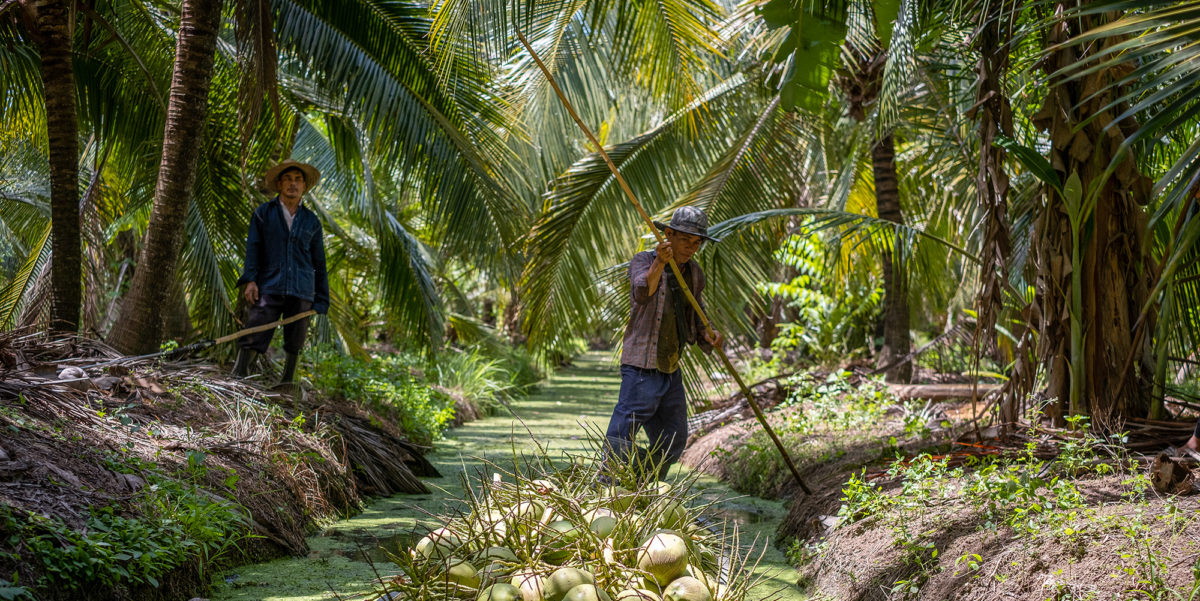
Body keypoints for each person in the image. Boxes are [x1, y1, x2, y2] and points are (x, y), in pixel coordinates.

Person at [604, 206, 724, 482]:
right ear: (669, 235)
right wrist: (660, 263)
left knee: (673, 440)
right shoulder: (643, 261)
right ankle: (608, 483)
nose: (692, 248)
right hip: (642, 367)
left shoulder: (694, 273)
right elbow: (642, 293)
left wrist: (709, 333)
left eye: (697, 242)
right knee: (623, 432)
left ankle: (639, 483)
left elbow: (695, 312)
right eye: (686, 240)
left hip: (670, 368)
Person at [232, 159, 329, 384]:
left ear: (304, 186)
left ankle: (287, 382)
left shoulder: (311, 221)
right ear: (279, 184)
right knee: (256, 327)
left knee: (296, 337)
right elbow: (253, 249)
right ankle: (239, 375)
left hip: (301, 288)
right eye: (288, 179)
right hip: (269, 283)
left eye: (298, 180)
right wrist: (251, 281)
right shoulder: (263, 213)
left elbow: (319, 262)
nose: (292, 184)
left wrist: (322, 297)